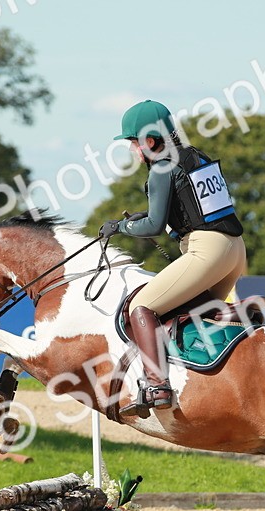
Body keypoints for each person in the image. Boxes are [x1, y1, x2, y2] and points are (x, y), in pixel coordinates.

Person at [100, 99, 247, 417]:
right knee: (196, 313)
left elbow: (153, 225)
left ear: (150, 140)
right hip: (234, 250)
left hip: (207, 251)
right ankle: (238, 314)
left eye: (133, 142)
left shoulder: (160, 168)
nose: (132, 151)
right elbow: (192, 211)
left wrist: (122, 226)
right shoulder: (196, 156)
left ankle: (157, 385)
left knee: (141, 308)